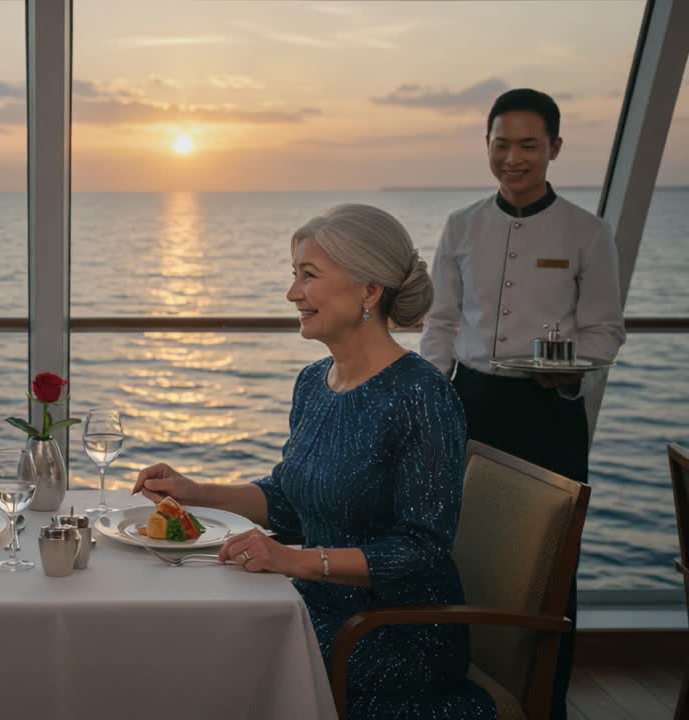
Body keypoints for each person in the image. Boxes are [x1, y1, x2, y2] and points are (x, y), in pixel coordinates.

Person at [134, 204, 494, 720]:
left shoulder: (422, 396)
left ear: (370, 290)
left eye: (309, 276)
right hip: (315, 602)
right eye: (293, 275)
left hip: (393, 632)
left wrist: (295, 561)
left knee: (210, 656)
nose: (292, 293)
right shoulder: (313, 382)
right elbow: (286, 502)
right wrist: (195, 490)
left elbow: (422, 550)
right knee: (184, 627)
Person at [420, 88, 625, 719]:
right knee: (458, 546)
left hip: (549, 412)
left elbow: (604, 330)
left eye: (528, 145)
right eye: (501, 143)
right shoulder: (461, 226)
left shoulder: (588, 232)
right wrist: (432, 402)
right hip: (471, 403)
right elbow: (441, 326)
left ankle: (546, 702)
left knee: (552, 563)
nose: (513, 157)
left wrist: (562, 376)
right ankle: (458, 688)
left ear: (554, 149)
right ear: (487, 146)